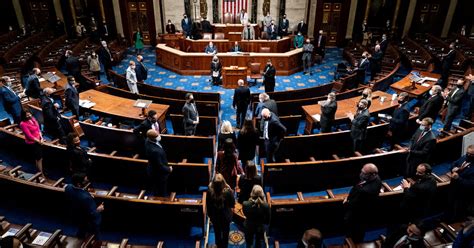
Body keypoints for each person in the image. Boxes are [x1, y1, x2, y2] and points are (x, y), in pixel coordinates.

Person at [343, 163, 382, 242]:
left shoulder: (365, 191)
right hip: (365, 211)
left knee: (353, 234)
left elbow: (354, 204)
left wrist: (347, 201)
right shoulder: (377, 178)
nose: (361, 174)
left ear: (372, 174)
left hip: (357, 215)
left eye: (364, 173)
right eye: (362, 171)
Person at [65, 173, 104, 238]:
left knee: (81, 228)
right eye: (85, 181)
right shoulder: (86, 198)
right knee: (93, 234)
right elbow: (92, 214)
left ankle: (80, 236)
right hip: (87, 219)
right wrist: (99, 209)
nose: (88, 181)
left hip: (75, 213)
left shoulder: (68, 187)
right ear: (79, 184)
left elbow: (77, 193)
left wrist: (85, 192)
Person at [206, 173, 235, 248]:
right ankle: (224, 246)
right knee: (226, 233)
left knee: (217, 232)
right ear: (223, 182)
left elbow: (208, 205)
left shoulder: (209, 191)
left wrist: (210, 215)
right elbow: (232, 204)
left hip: (215, 217)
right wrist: (230, 190)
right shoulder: (227, 192)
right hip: (225, 217)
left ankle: (218, 245)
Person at [447, 145, 474, 221]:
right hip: (453, 187)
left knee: (458, 211)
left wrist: (459, 178)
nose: (468, 155)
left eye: (471, 155)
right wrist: (453, 168)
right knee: (450, 205)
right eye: (467, 153)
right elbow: (454, 163)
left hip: (463, 193)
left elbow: (471, 184)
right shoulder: (465, 157)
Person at [145, 129, 172, 196]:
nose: (159, 136)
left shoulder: (148, 140)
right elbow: (159, 166)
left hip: (152, 167)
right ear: (153, 138)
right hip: (158, 174)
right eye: (157, 135)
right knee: (160, 189)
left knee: (157, 187)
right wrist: (169, 169)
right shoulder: (154, 151)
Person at [19, 109, 44, 176]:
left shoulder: (32, 118)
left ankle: (39, 171)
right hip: (32, 143)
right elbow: (29, 136)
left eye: (29, 114)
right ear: (24, 116)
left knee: (38, 158)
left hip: (38, 140)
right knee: (39, 158)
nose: (29, 115)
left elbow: (38, 129)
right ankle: (41, 174)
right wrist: (39, 141)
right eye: (27, 115)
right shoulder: (23, 124)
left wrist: (41, 137)